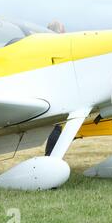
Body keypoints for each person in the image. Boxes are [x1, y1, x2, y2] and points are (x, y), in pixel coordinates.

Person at [45, 20, 66, 156]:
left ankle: (51, 156)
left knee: (58, 126)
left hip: (56, 88)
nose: (65, 33)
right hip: (53, 90)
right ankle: (50, 156)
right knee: (56, 126)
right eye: (63, 30)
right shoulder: (56, 46)